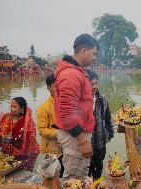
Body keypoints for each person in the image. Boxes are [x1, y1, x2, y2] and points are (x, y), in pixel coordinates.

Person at [54, 34, 98, 180]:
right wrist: (83, 141)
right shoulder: (71, 74)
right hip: (74, 137)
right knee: (74, 178)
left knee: (79, 175)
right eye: (94, 53)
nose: (95, 57)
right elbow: (67, 113)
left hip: (77, 135)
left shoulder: (77, 71)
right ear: (83, 50)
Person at [0, 97, 40, 171]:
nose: (12, 109)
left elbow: (26, 141)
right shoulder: (6, 117)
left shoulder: (28, 123)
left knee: (22, 171)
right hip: (9, 150)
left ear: (22, 108)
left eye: (15, 107)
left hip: (24, 152)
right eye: (11, 106)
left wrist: (6, 137)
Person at [87, 70, 114, 180]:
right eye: (91, 84)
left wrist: (108, 134)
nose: (94, 87)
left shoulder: (102, 99)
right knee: (85, 177)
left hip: (100, 144)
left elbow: (108, 119)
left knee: (98, 174)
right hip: (85, 147)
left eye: (96, 83)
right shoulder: (80, 101)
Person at [36, 74, 64, 177]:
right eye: (54, 86)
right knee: (53, 176)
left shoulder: (66, 103)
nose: (57, 89)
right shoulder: (44, 107)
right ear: (48, 87)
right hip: (53, 148)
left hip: (66, 146)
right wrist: (61, 133)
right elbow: (42, 130)